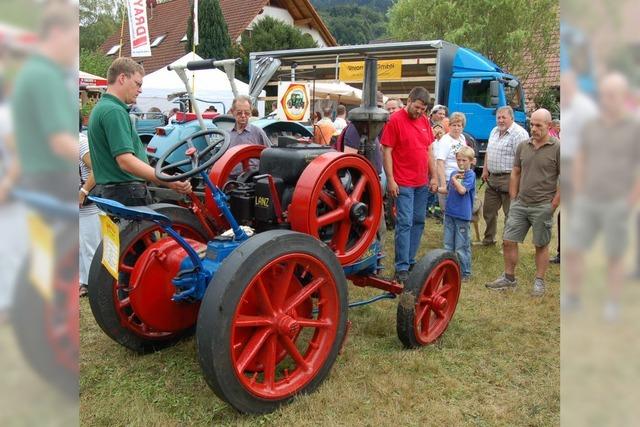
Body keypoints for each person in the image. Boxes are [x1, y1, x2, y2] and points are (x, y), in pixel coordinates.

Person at [565, 73, 640, 319]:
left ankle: (612, 303)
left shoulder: (633, 127)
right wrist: (577, 189)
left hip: (617, 201)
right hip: (588, 198)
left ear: (623, 97)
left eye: (613, 95)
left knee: (614, 255)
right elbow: (581, 157)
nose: (608, 100)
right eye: (604, 95)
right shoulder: (591, 126)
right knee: (574, 249)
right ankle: (573, 297)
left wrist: (631, 198)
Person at [88, 57, 192, 206]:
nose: (140, 90)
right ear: (122, 78)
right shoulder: (114, 111)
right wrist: (168, 181)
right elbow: (126, 161)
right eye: (138, 84)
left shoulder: (100, 108)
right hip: (127, 193)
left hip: (112, 192)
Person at [485, 109, 560, 297]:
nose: (533, 129)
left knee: (540, 244)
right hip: (520, 203)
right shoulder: (523, 146)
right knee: (508, 241)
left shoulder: (558, 148)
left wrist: (553, 205)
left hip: (543, 204)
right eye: (532, 124)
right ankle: (509, 278)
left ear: (549, 126)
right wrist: (513, 195)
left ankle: (539, 281)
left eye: (538, 126)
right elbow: (516, 171)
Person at [381, 86, 437, 283]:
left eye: (423, 109)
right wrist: (391, 179)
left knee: (419, 220)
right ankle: (401, 267)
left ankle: (410, 259)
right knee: (404, 223)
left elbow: (429, 150)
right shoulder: (395, 120)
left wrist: (435, 177)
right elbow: (386, 150)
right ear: (409, 101)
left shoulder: (424, 121)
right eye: (417, 107)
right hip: (403, 182)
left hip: (421, 181)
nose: (420, 112)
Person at [480, 106, 530, 246]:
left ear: (512, 118)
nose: (500, 120)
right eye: (498, 117)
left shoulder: (519, 134)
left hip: (510, 178)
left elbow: (523, 160)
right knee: (488, 211)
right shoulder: (494, 131)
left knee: (510, 213)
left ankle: (508, 243)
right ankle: (489, 239)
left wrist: (519, 181)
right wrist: (485, 170)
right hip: (493, 177)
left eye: (504, 117)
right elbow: (488, 152)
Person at [439, 146, 476, 281]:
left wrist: (454, 180)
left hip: (462, 215)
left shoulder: (470, 175)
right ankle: (448, 268)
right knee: (448, 244)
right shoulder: (454, 173)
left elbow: (462, 190)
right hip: (450, 213)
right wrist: (436, 188)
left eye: (464, 160)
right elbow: (448, 190)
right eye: (458, 160)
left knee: (461, 245)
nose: (461, 163)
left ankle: (465, 272)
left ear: (471, 161)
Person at [78, 128, 100, 298]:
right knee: (79, 246)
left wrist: (84, 191)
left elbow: (97, 168)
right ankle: (83, 282)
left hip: (88, 205)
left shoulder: (80, 142)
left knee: (91, 246)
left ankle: (95, 285)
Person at [436, 112, 469, 213]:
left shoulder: (462, 138)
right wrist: (443, 185)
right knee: (448, 211)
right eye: (453, 125)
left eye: (459, 125)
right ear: (449, 126)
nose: (456, 128)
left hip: (461, 179)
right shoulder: (445, 141)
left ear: (463, 127)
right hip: (448, 179)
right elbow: (440, 162)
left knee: (459, 210)